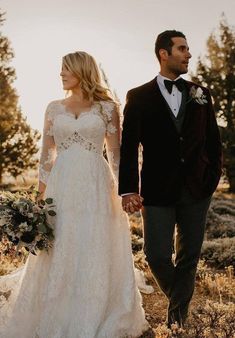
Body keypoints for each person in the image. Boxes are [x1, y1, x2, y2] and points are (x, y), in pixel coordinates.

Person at [0, 51, 149, 337]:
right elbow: (46, 156)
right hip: (62, 184)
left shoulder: (107, 107)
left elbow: (116, 155)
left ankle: (95, 308)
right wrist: (39, 200)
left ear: (82, 70)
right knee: (62, 242)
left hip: (96, 182)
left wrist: (126, 192)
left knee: (92, 242)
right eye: (61, 69)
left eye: (65, 69)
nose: (61, 74)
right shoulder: (53, 108)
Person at [119, 30, 222, 327]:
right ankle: (179, 303)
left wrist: (212, 177)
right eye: (182, 49)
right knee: (155, 256)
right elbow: (129, 146)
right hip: (156, 189)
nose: (188, 54)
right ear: (164, 54)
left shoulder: (201, 94)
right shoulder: (138, 97)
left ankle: (176, 322)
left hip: (197, 189)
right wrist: (129, 189)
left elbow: (213, 142)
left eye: (188, 49)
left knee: (189, 257)